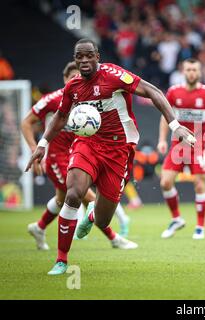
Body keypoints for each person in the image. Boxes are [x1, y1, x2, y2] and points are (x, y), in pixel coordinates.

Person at [26, 39, 195, 275]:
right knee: (73, 193)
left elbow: (153, 91)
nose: (84, 61)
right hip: (87, 144)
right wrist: (42, 143)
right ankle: (61, 260)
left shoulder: (114, 75)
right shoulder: (73, 87)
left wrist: (175, 125)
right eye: (79, 57)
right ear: (75, 60)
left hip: (119, 150)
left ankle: (94, 212)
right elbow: (60, 117)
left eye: (88, 56)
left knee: (102, 221)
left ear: (97, 56)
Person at [22, 61, 136, 250]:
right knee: (83, 196)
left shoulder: (90, 99)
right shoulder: (55, 99)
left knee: (61, 200)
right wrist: (35, 148)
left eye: (80, 77)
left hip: (79, 153)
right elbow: (26, 122)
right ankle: (114, 238)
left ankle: (39, 227)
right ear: (65, 80)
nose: (77, 81)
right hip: (57, 159)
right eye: (73, 78)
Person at [157, 58, 205, 240]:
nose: (191, 73)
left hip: (199, 146)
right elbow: (165, 117)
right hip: (177, 145)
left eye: (195, 70)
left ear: (200, 72)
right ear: (183, 71)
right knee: (165, 182)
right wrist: (162, 139)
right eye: (188, 70)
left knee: (199, 183)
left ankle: (200, 227)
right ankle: (177, 219)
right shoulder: (173, 92)